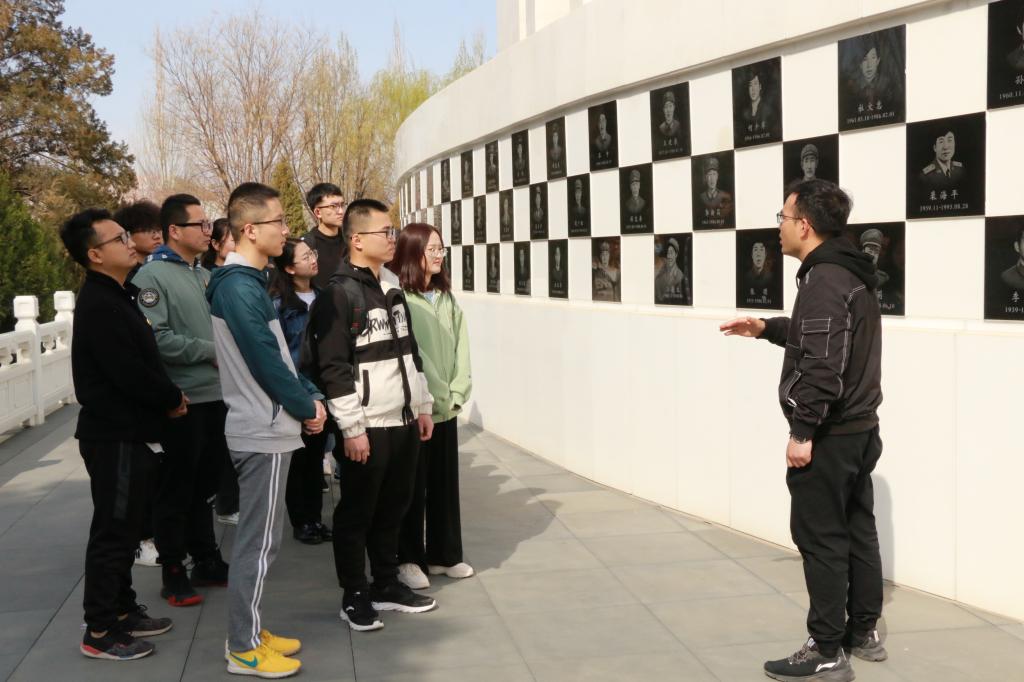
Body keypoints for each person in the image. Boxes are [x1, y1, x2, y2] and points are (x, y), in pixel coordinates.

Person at [720, 179, 886, 682]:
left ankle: (827, 651)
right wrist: (768, 328)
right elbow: (825, 337)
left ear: (805, 225)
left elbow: (823, 365)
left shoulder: (824, 280)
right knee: (857, 528)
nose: (779, 227)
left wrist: (802, 430)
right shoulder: (847, 272)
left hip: (831, 433)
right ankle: (862, 631)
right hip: (860, 428)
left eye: (783, 218)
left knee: (821, 539)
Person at [208, 182, 326, 678]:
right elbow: (265, 362)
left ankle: (251, 632)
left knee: (262, 542)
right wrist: (304, 405)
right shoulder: (238, 286)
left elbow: (279, 355)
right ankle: (243, 648)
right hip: (262, 427)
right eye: (278, 221)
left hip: (268, 422)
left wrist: (307, 394)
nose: (287, 229)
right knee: (258, 545)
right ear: (250, 229)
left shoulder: (249, 282)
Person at [304, 199, 437, 633]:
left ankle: (386, 583)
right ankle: (355, 594)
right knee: (356, 513)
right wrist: (351, 428)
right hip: (367, 426)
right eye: (385, 232)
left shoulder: (392, 287)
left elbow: (411, 353)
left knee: (394, 508)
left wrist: (422, 406)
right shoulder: (338, 294)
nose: (392, 238)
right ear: (357, 239)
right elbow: (333, 368)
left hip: (403, 419)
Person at [61, 208, 184, 661]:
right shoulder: (100, 304)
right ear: (95, 254)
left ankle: (122, 610)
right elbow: (128, 371)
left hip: (133, 431)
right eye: (118, 239)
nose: (129, 242)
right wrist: (170, 397)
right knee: (113, 532)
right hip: (114, 435)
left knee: (128, 528)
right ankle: (99, 629)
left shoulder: (119, 293)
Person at [132, 194, 230, 607]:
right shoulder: (150, 278)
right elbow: (155, 339)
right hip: (184, 399)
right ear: (174, 230)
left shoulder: (205, 275)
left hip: (217, 394)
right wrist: (210, 350)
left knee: (206, 484)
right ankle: (173, 568)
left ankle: (206, 557)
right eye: (200, 225)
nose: (208, 231)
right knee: (176, 486)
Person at [387, 224, 474, 590]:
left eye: (441, 249)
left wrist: (458, 390)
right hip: (419, 408)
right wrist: (436, 391)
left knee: (444, 484)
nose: (439, 255)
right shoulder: (400, 298)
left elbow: (461, 347)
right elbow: (413, 354)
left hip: (446, 408)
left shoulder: (445, 298)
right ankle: (408, 559)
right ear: (413, 252)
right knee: (412, 488)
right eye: (432, 249)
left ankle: (445, 554)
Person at [269, 239, 333, 545]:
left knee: (316, 457)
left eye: (313, 254)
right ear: (290, 268)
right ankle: (301, 521)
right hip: (296, 390)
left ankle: (315, 519)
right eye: (306, 256)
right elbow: (281, 355)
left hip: (325, 388)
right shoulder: (279, 304)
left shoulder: (324, 297)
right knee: (300, 461)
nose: (313, 259)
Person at [301, 183, 347, 290]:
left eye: (342, 205)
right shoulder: (306, 246)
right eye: (333, 206)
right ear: (318, 212)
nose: (341, 211)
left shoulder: (351, 241)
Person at [113, 200, 163, 279]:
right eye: (147, 230)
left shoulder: (165, 267)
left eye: (158, 229)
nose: (157, 236)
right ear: (127, 235)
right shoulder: (124, 277)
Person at [655, 237, 690, 304]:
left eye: (671, 253)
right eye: (668, 253)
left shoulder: (678, 275)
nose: (669, 256)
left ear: (676, 254)